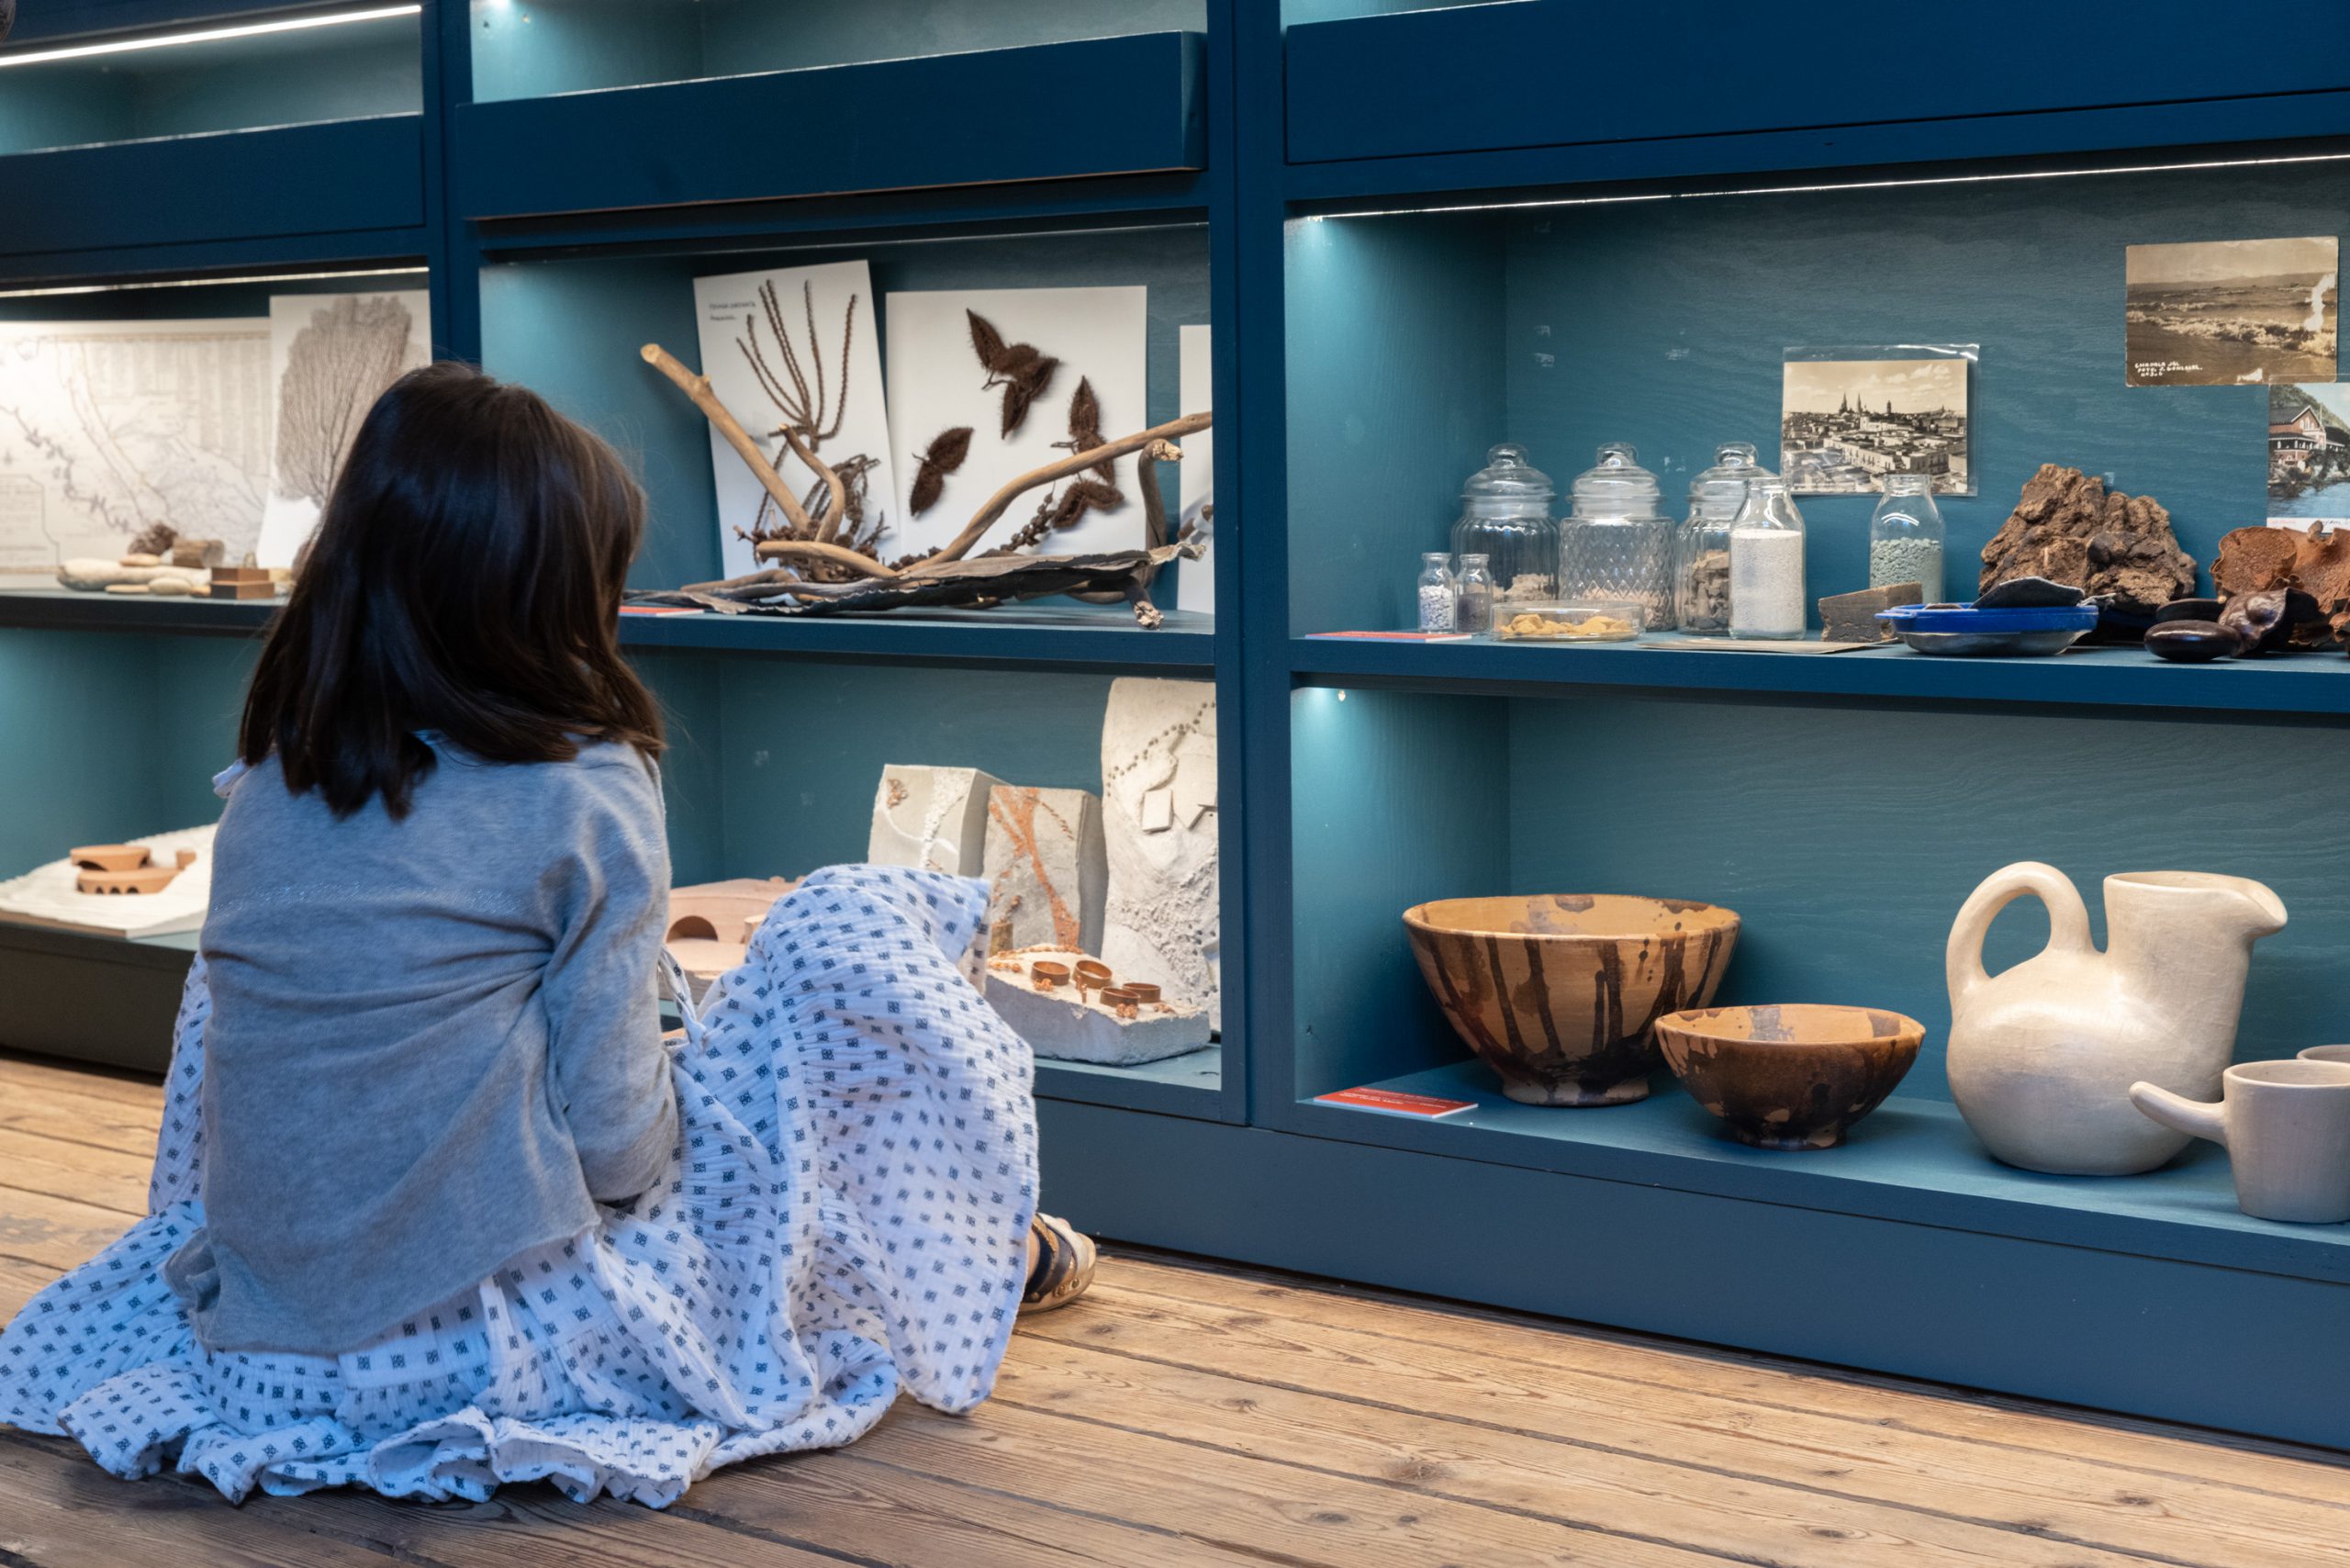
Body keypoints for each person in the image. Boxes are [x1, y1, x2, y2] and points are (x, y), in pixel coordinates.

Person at [0, 362, 1094, 1506]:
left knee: (222, 992)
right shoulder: (582, 783)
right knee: (841, 933)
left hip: (265, 1353)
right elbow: (621, 1155)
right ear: (542, 597)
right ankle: (989, 1251)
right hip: (479, 1342)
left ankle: (991, 1250)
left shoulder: (271, 784)